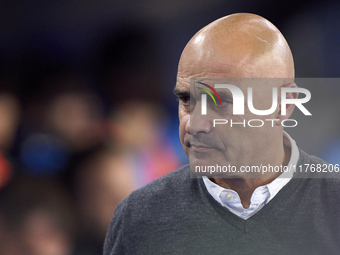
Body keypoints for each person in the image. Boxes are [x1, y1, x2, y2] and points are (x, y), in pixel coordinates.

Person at [103, 13, 340, 254]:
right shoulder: (138, 218)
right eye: (186, 99)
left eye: (220, 102)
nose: (193, 125)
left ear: (284, 104)